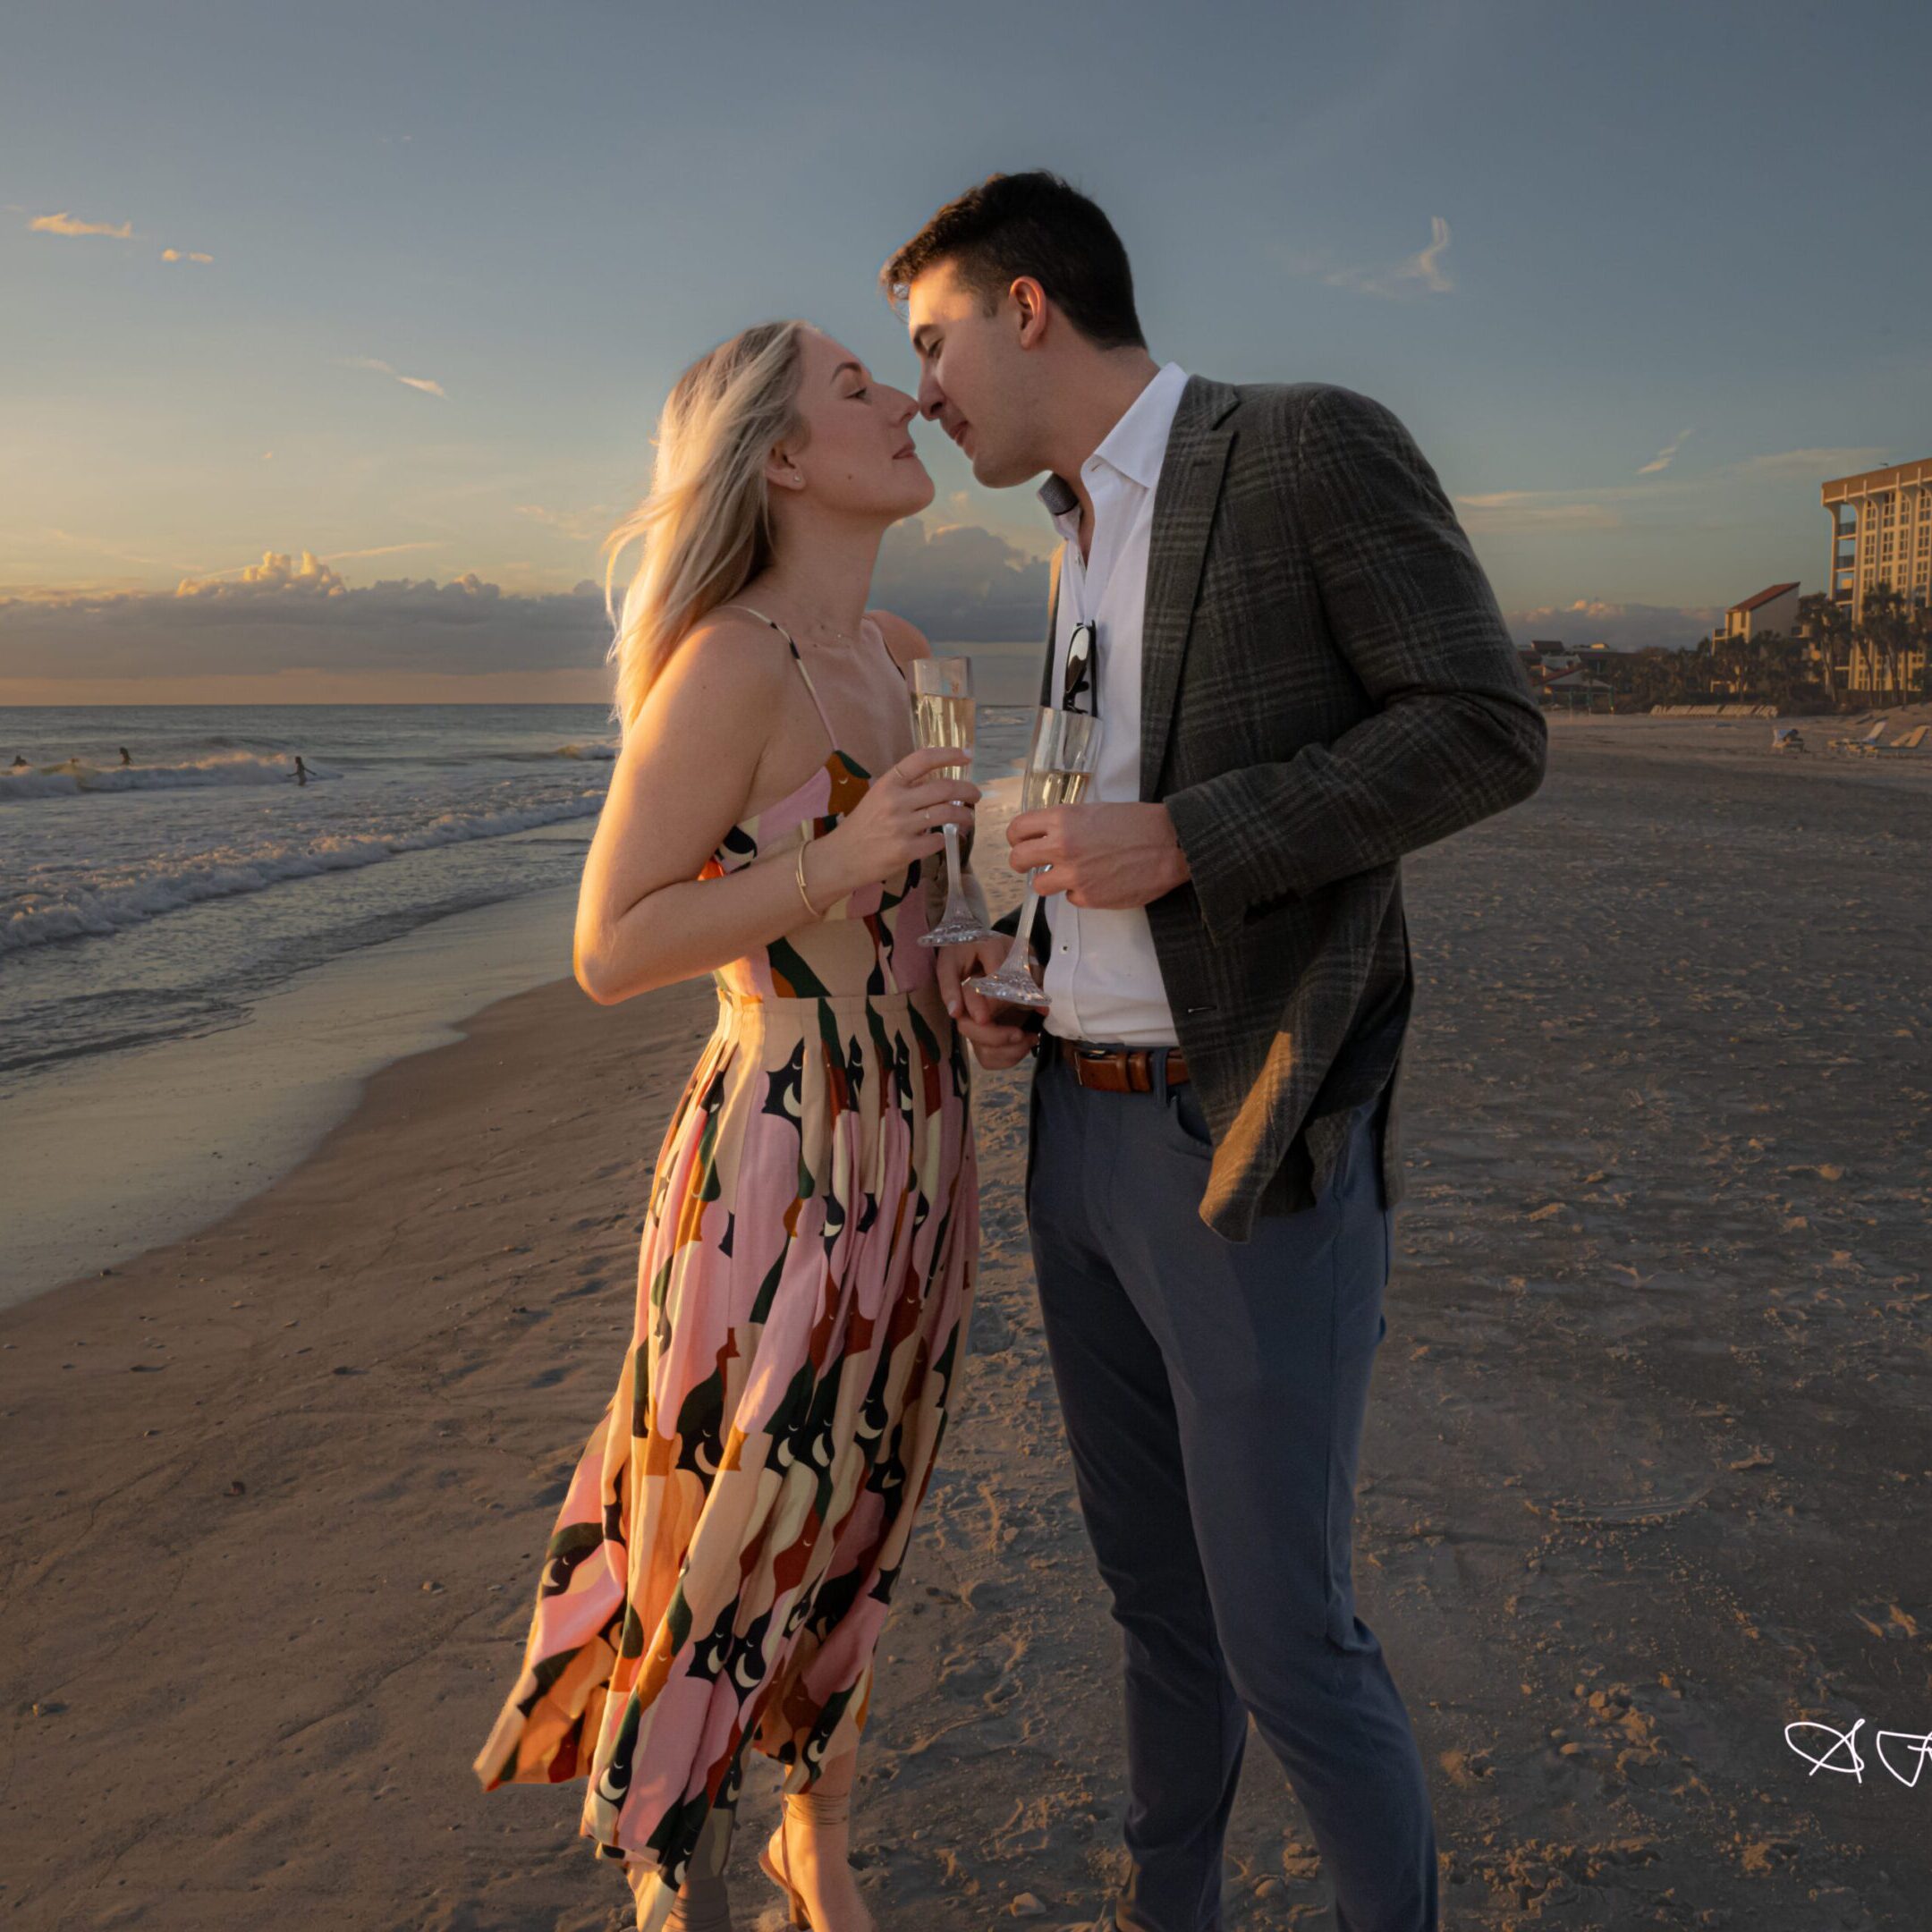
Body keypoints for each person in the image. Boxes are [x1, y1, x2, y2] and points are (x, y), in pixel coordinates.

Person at [885, 173, 1548, 1932]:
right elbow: (1094, 813)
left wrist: (1194, 837)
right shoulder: (1069, 536)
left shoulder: (1304, 445)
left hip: (1244, 1139)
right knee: (1157, 1615)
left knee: (1285, 1641)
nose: (925, 392)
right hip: (1078, 1149)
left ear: (1030, 308)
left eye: (934, 343)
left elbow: (1485, 726)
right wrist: (1027, 968)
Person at [474, 318, 983, 1932]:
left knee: (861, 1504)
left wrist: (974, 977)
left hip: (923, 1141)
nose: (903, 402)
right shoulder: (731, 664)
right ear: (780, 459)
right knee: (732, 1507)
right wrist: (839, 861)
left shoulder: (904, 654)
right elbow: (609, 943)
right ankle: (668, 1870)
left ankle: (813, 1836)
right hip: (782, 1150)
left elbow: (926, 920)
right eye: (858, 388)